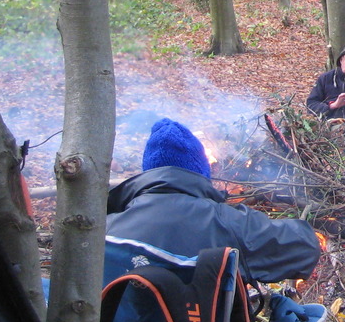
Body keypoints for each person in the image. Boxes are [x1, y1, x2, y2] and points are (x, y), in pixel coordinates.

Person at [107, 118, 322, 285]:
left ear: (148, 171)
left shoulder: (104, 228)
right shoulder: (229, 224)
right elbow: (306, 248)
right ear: (200, 172)